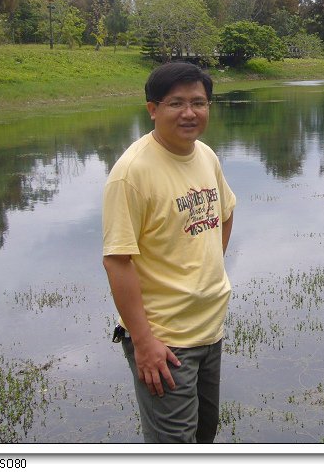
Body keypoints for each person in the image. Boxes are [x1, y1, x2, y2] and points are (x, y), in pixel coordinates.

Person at [102, 62, 236, 443]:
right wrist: (144, 342)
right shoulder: (132, 173)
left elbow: (225, 212)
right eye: (176, 103)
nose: (190, 113)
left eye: (199, 102)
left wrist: (206, 271)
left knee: (204, 435)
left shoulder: (205, 155)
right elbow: (117, 260)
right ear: (152, 109)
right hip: (165, 340)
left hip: (210, 329)